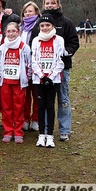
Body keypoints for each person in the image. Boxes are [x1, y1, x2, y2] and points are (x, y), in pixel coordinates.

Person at [31, 0, 79, 142]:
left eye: (53, 3)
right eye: (47, 3)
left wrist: (66, 53)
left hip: (61, 68)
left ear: (58, 4)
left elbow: (74, 42)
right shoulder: (39, 23)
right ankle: (46, 129)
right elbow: (33, 43)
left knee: (63, 98)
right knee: (46, 101)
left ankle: (64, 129)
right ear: (44, 5)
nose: (50, 5)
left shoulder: (66, 22)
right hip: (42, 72)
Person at [31, 14, 65, 148]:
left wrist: (50, 77)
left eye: (48, 25)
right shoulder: (35, 40)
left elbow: (60, 60)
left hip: (53, 79)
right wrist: (42, 76)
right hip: (38, 79)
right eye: (42, 26)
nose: (45, 28)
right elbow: (34, 60)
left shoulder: (59, 40)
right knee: (40, 105)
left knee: (50, 106)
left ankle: (50, 136)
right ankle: (41, 135)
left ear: (52, 26)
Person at [0, 22, 31, 144]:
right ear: (5, 33)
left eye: (14, 31)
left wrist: (27, 78)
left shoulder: (24, 47)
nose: (11, 33)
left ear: (18, 32)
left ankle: (18, 131)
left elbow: (29, 64)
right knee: (6, 107)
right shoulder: (2, 48)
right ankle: (8, 131)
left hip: (19, 83)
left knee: (18, 107)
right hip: (5, 82)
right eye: (8, 31)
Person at [19, 1, 41, 131]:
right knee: (24, 95)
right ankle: (25, 118)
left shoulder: (40, 26)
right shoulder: (20, 27)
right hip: (22, 65)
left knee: (37, 94)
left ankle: (36, 119)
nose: (27, 14)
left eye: (30, 11)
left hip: (37, 64)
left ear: (36, 12)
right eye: (25, 12)